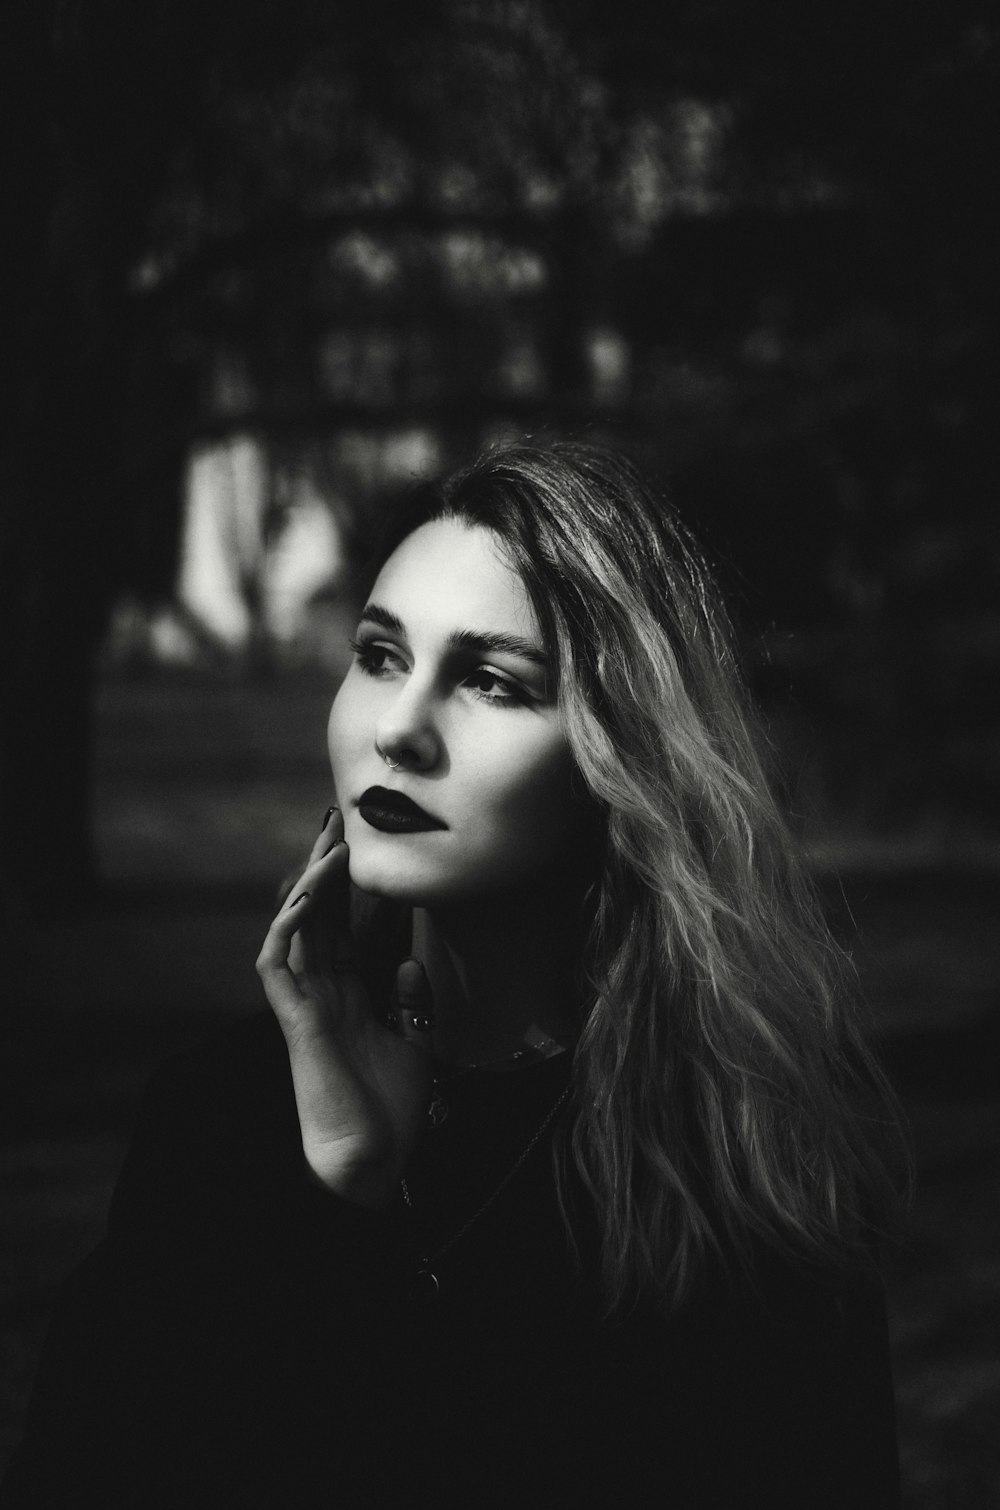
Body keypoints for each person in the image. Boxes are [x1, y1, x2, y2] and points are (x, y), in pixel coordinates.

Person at [3, 440, 906, 1508]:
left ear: (620, 756)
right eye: (380, 656)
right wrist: (342, 1190)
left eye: (488, 681)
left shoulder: (734, 1160)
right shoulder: (216, 1115)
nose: (397, 728)